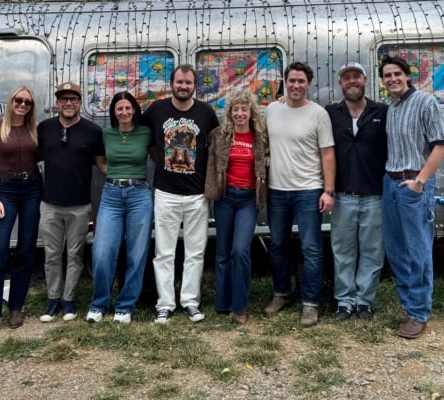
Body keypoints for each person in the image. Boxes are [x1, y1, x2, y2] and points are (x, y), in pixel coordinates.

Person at [378, 55, 444, 339]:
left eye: (397, 73)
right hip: (391, 183)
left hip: (413, 185)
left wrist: (419, 182)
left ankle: (419, 313)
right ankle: (409, 305)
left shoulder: (425, 102)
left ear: (407, 76)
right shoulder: (392, 108)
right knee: (396, 249)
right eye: (387, 75)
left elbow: (441, 145)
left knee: (417, 251)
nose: (392, 79)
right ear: (383, 81)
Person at [142, 64, 219, 324]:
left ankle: (190, 302)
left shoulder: (206, 113)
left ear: (194, 86)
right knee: (164, 252)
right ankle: (165, 304)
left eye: (188, 83)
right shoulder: (156, 109)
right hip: (166, 193)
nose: (183, 87)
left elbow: (215, 145)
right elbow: (142, 135)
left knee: (195, 252)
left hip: (197, 195)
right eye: (179, 82)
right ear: (171, 84)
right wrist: (157, 157)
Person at [263, 61, 335, 327]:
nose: (296, 85)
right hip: (277, 191)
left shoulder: (318, 114)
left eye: (301, 81)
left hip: (308, 190)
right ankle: (281, 293)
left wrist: (328, 190)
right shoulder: (272, 110)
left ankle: (310, 304)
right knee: (277, 244)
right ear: (285, 82)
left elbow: (327, 153)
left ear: (309, 84)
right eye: (291, 80)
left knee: (311, 248)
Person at [38, 82, 105, 323]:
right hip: (50, 204)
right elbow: (31, 158)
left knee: (75, 254)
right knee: (52, 255)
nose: (68, 103)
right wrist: (1, 167)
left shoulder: (92, 131)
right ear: (57, 103)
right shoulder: (44, 128)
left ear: (80, 103)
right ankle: (53, 299)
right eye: (63, 99)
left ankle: (69, 300)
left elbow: (102, 164)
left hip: (79, 205)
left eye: (73, 99)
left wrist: (127, 175)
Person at [0, 86, 43, 339]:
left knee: (26, 250)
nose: (23, 104)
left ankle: (16, 306)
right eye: (19, 100)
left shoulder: (34, 128)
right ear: (11, 101)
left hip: (32, 188)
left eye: (28, 102)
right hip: (5, 191)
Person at [326, 62, 387, 321]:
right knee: (343, 252)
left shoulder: (382, 111)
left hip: (375, 196)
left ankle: (364, 302)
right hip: (342, 196)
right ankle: (345, 301)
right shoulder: (330, 112)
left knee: (373, 252)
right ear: (341, 83)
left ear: (365, 80)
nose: (352, 81)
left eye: (356, 76)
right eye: (347, 77)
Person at [85, 91, 153, 324]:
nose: (124, 112)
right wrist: (117, 174)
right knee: (101, 252)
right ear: (113, 112)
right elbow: (100, 162)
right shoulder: (107, 134)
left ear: (134, 109)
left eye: (127, 108)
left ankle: (125, 306)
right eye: (119, 108)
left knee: (137, 253)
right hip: (111, 195)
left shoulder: (146, 133)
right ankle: (99, 304)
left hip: (139, 196)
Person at [204, 88, 267, 325]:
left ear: (251, 112)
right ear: (229, 112)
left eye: (244, 109)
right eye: (235, 109)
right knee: (223, 252)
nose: (240, 113)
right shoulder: (219, 135)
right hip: (225, 198)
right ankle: (223, 303)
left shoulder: (259, 137)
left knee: (240, 250)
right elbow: (209, 163)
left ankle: (239, 307)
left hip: (248, 200)